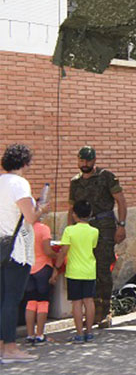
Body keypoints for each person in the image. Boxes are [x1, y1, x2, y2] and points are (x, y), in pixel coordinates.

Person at [68, 145, 127, 328]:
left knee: (102, 269)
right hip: (83, 228)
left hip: (104, 227)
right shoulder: (75, 182)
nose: (84, 164)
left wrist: (121, 225)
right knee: (87, 270)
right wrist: (70, 230)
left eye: (88, 160)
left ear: (94, 160)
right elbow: (71, 208)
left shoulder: (106, 177)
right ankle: (91, 312)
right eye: (81, 160)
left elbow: (121, 200)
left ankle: (105, 312)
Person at [0, 144, 40, 363]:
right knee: (12, 299)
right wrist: (42, 208)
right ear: (25, 163)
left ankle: (1, 346)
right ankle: (10, 348)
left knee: (2, 298)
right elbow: (31, 218)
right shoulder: (19, 184)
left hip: (0, 246)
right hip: (17, 250)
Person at [57, 200, 99, 343]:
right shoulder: (95, 231)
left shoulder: (69, 230)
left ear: (74, 214)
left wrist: (57, 267)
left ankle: (79, 333)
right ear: (90, 214)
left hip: (74, 271)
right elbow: (92, 247)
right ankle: (90, 332)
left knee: (76, 303)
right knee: (89, 301)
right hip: (89, 270)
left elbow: (64, 251)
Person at [22, 204, 55, 345]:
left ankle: (30, 334)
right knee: (43, 302)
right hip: (43, 267)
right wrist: (57, 255)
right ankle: (40, 334)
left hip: (28, 268)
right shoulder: (44, 229)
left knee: (30, 302)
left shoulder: (24, 229)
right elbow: (48, 251)